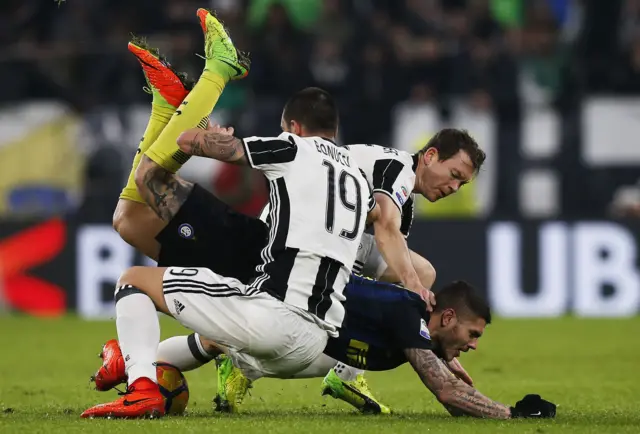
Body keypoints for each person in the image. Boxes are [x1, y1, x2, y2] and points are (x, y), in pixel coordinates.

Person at [104, 28, 486, 412]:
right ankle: (198, 85)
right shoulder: (395, 169)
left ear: (295, 128)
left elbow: (381, 232)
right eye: (455, 175)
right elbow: (385, 228)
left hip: (287, 267)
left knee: (133, 219)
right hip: (274, 250)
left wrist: (424, 334)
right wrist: (416, 291)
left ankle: (142, 364)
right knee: (132, 218)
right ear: (432, 155)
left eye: (462, 183)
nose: (455, 186)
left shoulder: (361, 175)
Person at [81, 9, 375, 419]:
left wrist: (206, 132)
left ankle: (216, 71)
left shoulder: (295, 148)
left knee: (143, 196)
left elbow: (197, 143)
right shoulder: (358, 177)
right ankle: (135, 365)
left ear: (293, 126)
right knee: (129, 220)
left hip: (256, 261)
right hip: (306, 314)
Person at [89, 277, 557, 419]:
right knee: (136, 280)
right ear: (448, 318)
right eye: (472, 335)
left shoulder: (412, 325)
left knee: (222, 341)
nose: (473, 345)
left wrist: (452, 372)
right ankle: (136, 368)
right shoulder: (405, 313)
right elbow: (448, 395)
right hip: (268, 304)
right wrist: (510, 413)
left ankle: (130, 363)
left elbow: (452, 394)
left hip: (292, 334)